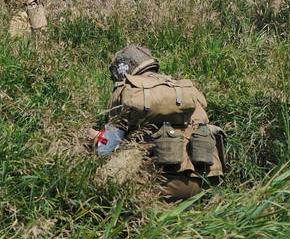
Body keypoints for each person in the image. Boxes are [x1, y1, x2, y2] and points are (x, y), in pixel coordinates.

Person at [87, 45, 225, 202]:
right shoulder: (187, 89)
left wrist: (96, 138)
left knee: (99, 182)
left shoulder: (126, 90)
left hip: (159, 185)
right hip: (206, 181)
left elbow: (105, 150)